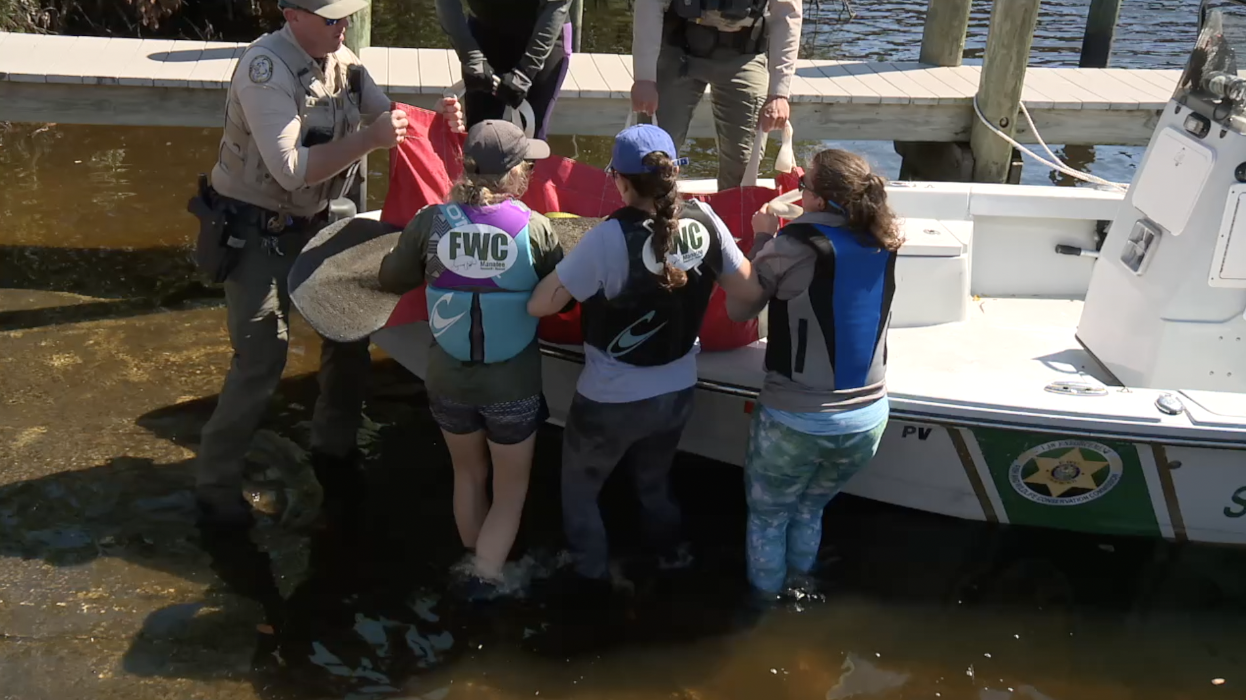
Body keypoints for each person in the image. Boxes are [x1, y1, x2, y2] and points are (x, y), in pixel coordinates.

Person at [193, 0, 412, 534]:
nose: (342, 28)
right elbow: (289, 170)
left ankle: (334, 452)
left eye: (345, 18)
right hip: (255, 232)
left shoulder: (343, 58)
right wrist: (368, 140)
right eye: (330, 18)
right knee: (261, 357)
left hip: (318, 224)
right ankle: (215, 488)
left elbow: (387, 116)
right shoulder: (264, 68)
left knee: (349, 332)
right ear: (292, 15)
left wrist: (429, 118)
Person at [527, 124, 765, 596]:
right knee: (654, 484)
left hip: (609, 401)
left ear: (619, 180)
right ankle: (671, 562)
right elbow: (750, 292)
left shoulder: (605, 239)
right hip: (676, 393)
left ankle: (592, 584)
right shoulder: (706, 222)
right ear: (673, 172)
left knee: (580, 492)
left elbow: (542, 305)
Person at [377, 120, 564, 595]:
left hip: (447, 382)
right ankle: (485, 577)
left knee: (467, 473)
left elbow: (394, 279)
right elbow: (566, 294)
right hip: (513, 386)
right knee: (510, 490)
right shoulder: (537, 229)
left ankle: (474, 559)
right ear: (516, 173)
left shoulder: (430, 221)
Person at [725, 149, 902, 599]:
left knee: (769, 517)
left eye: (804, 186)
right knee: (808, 511)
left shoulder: (791, 248)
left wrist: (761, 239)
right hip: (868, 421)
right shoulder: (887, 240)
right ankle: (801, 586)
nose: (798, 193)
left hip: (796, 419)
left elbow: (738, 308)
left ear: (820, 202)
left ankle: (765, 611)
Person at [630, 0, 803, 191]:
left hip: (744, 54)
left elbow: (787, 13)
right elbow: (649, 4)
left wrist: (778, 93)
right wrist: (644, 78)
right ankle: (650, 216)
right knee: (653, 152)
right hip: (678, 48)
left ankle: (732, 216)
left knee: (742, 162)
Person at [436, 0, 573, 139]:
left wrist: (527, 70)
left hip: (545, 28)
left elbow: (557, 4)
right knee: (479, 136)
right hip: (485, 31)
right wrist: (471, 57)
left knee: (533, 139)